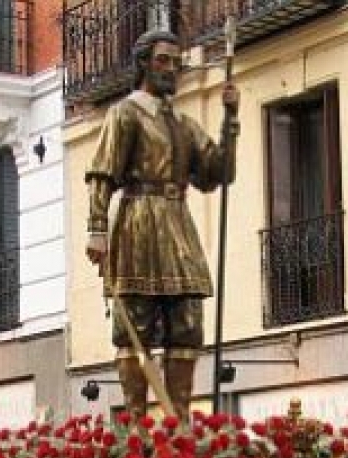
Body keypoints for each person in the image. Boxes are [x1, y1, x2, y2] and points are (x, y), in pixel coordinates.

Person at [85, 29, 239, 422]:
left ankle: (179, 421)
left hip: (177, 225)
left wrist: (230, 120)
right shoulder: (125, 113)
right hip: (138, 221)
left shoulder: (184, 124)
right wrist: (97, 229)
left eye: (176, 61)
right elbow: (102, 172)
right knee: (133, 322)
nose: (172, 68)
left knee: (187, 320)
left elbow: (217, 172)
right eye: (163, 60)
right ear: (143, 65)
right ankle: (136, 423)